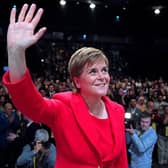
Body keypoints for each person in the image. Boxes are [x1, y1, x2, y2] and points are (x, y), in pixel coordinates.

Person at [3, 3, 128, 168]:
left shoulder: (117, 111)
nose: (102, 76)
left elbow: (121, 162)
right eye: (93, 72)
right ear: (77, 81)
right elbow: (28, 102)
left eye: (104, 70)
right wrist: (15, 53)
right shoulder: (63, 108)